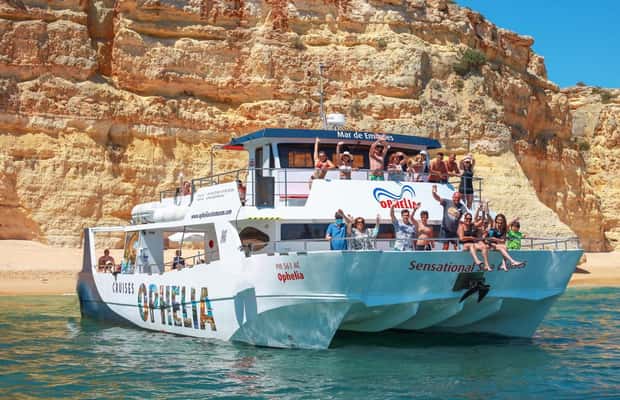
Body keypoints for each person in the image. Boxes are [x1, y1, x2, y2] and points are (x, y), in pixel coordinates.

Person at [432, 185, 466, 250]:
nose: (457, 199)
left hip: (454, 230)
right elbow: (437, 198)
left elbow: (466, 214)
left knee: (457, 246)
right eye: (455, 197)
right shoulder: (447, 202)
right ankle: (443, 256)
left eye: (458, 198)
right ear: (453, 197)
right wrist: (434, 192)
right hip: (445, 229)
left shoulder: (461, 206)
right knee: (446, 246)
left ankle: (455, 256)